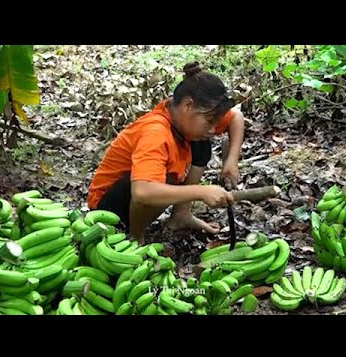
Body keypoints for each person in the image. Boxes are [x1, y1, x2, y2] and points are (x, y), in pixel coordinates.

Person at [87, 61, 246, 244]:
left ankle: (181, 215)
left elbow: (236, 117)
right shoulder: (156, 133)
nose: (213, 129)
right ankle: (135, 239)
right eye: (210, 121)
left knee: (201, 142)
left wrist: (231, 162)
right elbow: (142, 192)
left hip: (136, 195)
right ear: (187, 105)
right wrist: (201, 192)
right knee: (162, 178)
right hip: (108, 209)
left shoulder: (185, 117)